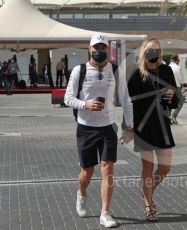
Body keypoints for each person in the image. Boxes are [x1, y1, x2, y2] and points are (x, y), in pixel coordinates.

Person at [64, 34, 134, 228]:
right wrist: (85, 104)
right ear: (89, 49)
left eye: (103, 47)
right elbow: (68, 98)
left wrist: (130, 127)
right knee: (87, 171)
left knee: (107, 168)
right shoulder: (80, 70)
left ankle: (105, 213)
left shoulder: (116, 70)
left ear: (107, 50)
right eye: (97, 47)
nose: (100, 50)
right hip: (85, 127)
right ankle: (82, 194)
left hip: (107, 127)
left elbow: (127, 100)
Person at [127, 37, 178, 222]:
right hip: (144, 126)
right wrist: (129, 127)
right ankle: (149, 205)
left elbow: (176, 98)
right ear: (143, 52)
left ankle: (146, 192)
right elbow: (128, 103)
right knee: (147, 167)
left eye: (156, 50)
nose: (153, 53)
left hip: (162, 126)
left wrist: (172, 95)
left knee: (165, 167)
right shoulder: (137, 74)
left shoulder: (166, 70)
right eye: (149, 50)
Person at [168, 54, 185, 124]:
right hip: (176, 87)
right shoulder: (178, 68)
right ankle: (174, 115)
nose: (179, 61)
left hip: (168, 87)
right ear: (175, 60)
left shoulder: (167, 67)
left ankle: (168, 118)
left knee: (169, 102)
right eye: (178, 60)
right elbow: (181, 81)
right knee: (182, 100)